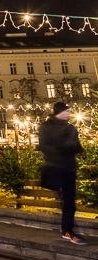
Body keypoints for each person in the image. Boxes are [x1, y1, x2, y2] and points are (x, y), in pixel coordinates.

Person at [38, 102, 88, 245]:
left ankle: (67, 230)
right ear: (59, 112)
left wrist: (79, 150)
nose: (69, 114)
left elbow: (76, 146)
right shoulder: (46, 127)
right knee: (67, 201)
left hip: (69, 168)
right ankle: (67, 230)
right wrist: (63, 149)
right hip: (55, 168)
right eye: (66, 111)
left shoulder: (70, 128)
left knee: (69, 201)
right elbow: (44, 146)